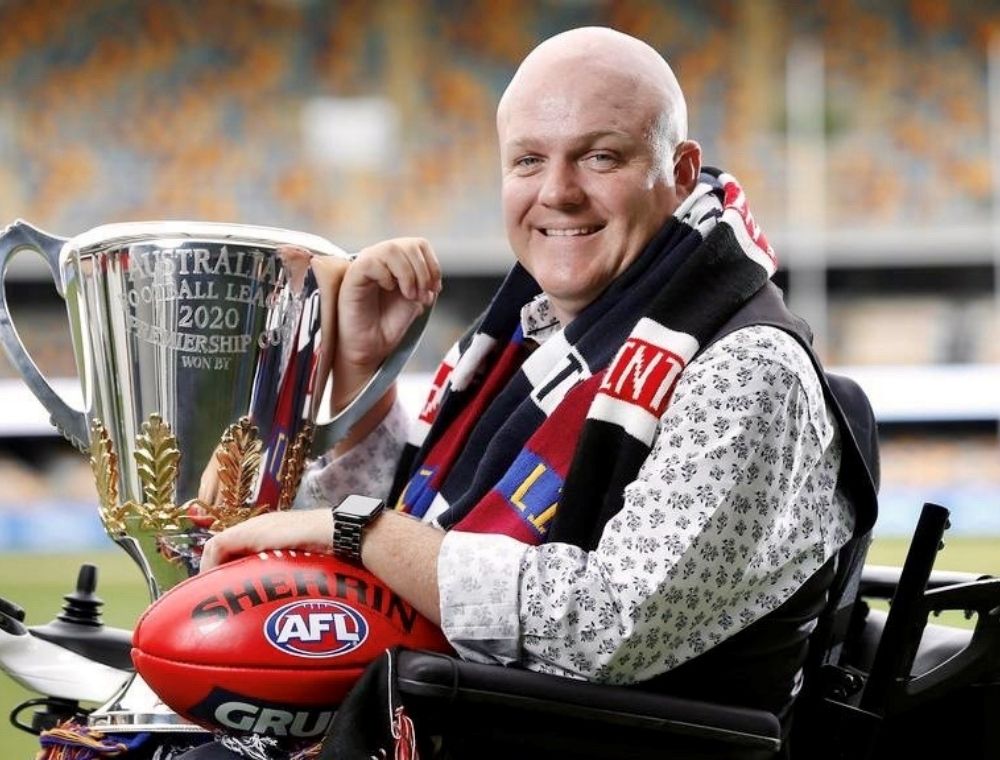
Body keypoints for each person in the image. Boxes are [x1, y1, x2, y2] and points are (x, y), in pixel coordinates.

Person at [183, 24, 867, 759]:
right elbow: (418, 544)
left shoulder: (747, 367)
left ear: (678, 169)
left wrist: (357, 531)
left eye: (601, 156)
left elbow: (609, 626)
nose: (558, 193)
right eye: (529, 160)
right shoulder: (532, 335)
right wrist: (364, 384)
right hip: (461, 719)